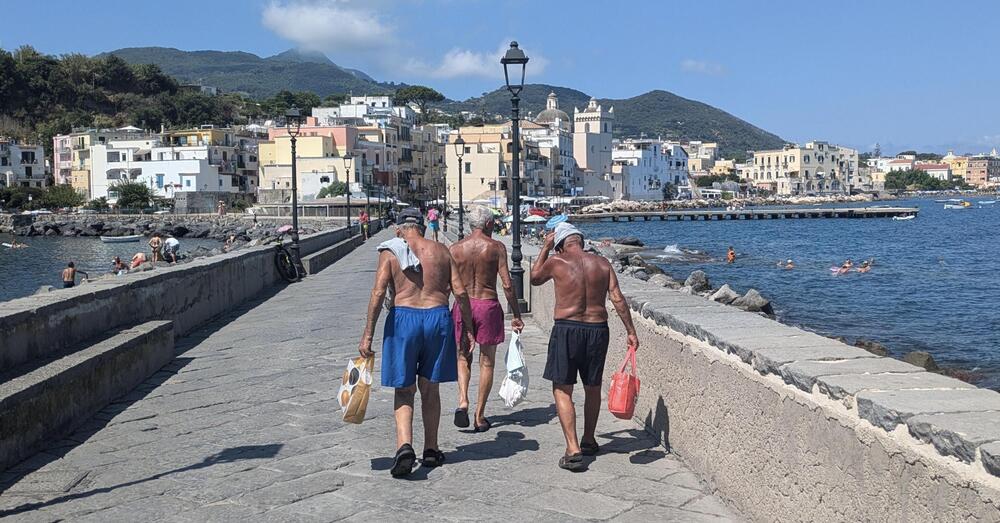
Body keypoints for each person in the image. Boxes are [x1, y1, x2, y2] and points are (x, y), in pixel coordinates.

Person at [358, 207, 475, 478]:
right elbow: (460, 292)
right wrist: (468, 329)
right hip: (437, 317)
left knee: (404, 389)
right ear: (422, 227)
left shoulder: (390, 252)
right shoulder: (441, 251)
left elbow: (378, 293)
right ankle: (431, 449)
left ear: (400, 229)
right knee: (430, 388)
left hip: (403, 318)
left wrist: (368, 334)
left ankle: (405, 447)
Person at [530, 222, 639, 472]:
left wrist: (545, 248)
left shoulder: (557, 262)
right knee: (592, 387)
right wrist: (631, 331)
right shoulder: (602, 264)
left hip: (567, 329)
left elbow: (535, 279)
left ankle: (573, 448)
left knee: (562, 388)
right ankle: (589, 439)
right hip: (597, 330)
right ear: (581, 241)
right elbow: (617, 298)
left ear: (561, 245)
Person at [449, 206, 525, 432]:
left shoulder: (455, 248)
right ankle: (479, 416)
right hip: (488, 304)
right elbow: (508, 285)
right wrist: (516, 314)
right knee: (487, 361)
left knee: (463, 356)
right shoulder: (496, 247)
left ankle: (463, 400)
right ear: (489, 225)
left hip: (463, 305)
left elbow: (447, 285)